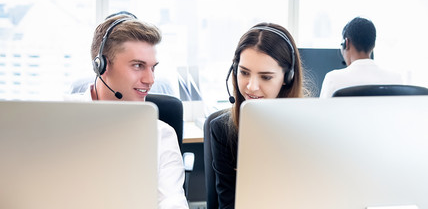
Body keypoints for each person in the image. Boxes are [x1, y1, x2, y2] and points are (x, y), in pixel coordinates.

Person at [68, 12, 189, 209]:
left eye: (153, 68)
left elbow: (172, 201)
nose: (150, 80)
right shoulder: (57, 119)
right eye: (138, 66)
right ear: (102, 66)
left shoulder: (161, 134)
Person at [210, 23, 305, 208]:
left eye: (266, 77)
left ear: (288, 78)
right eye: (244, 72)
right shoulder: (223, 131)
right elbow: (228, 204)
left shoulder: (308, 129)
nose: (251, 87)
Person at [319, 17, 403, 98]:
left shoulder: (333, 79)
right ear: (373, 45)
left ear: (347, 43)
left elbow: (322, 112)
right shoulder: (396, 80)